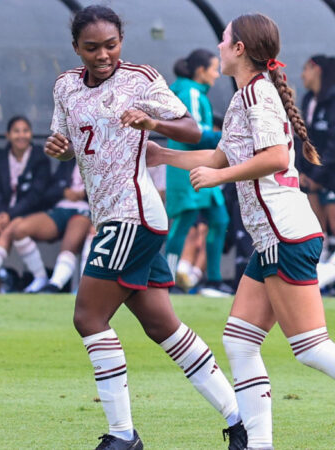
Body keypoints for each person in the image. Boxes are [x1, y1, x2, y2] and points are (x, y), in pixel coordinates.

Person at [146, 13, 335, 450]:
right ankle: (259, 443)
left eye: (225, 40)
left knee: (310, 346)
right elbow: (221, 156)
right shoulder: (244, 95)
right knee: (239, 341)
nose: (220, 46)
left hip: (285, 234)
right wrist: (162, 154)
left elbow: (277, 158)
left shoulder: (256, 95)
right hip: (274, 237)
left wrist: (218, 178)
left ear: (240, 48)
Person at [44, 6, 245, 449]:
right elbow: (68, 146)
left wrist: (152, 123)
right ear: (76, 47)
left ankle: (122, 437)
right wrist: (56, 148)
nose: (103, 55)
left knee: (88, 317)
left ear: (122, 42)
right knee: (163, 326)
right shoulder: (64, 87)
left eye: (111, 45)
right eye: (92, 47)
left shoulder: (140, 78)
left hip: (132, 216)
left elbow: (193, 131)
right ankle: (240, 421)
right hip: (115, 218)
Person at [166, 48, 232, 297]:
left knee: (220, 220)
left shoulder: (196, 92)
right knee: (183, 225)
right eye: (214, 69)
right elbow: (193, 135)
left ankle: (214, 281)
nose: (217, 74)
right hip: (188, 168)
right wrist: (227, 137)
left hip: (204, 165)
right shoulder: (190, 91)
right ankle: (168, 280)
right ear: (201, 71)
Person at [0, 116, 51, 294]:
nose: (21, 135)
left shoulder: (40, 158)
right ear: (8, 135)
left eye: (25, 130)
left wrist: (10, 214)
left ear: (30, 134)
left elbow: (36, 195)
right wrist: (0, 214)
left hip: (28, 212)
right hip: (1, 211)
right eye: (16, 131)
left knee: (10, 230)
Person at [298, 54, 335, 252]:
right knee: (316, 230)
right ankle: (318, 278)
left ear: (317, 69)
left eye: (305, 69)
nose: (302, 75)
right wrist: (302, 171)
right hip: (311, 176)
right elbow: (302, 138)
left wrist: (318, 174)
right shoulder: (308, 100)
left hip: (333, 176)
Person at [13, 159, 92, 293]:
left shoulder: (105, 157)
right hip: (60, 209)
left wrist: (85, 194)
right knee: (20, 230)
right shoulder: (68, 160)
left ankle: (55, 284)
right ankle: (40, 278)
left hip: (85, 210)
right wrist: (63, 192)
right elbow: (48, 191)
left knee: (70, 241)